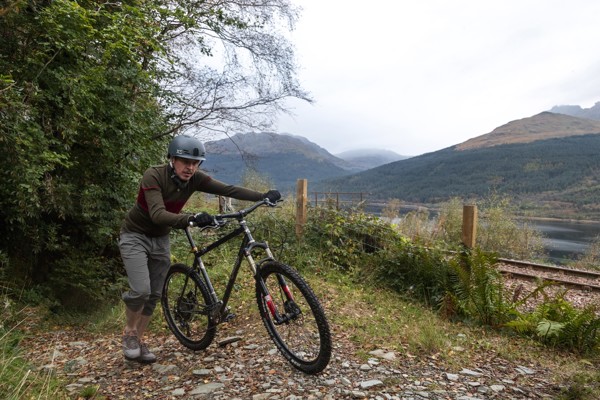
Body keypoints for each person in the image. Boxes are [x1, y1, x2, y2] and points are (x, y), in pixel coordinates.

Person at [118, 135, 281, 363]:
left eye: (195, 163)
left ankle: (140, 340)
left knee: (155, 293)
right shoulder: (153, 175)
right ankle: (129, 333)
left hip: (160, 238)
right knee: (141, 290)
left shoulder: (195, 179)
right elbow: (157, 214)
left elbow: (229, 190)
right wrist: (192, 218)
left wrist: (262, 196)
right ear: (172, 159)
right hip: (135, 235)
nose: (190, 167)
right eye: (185, 161)